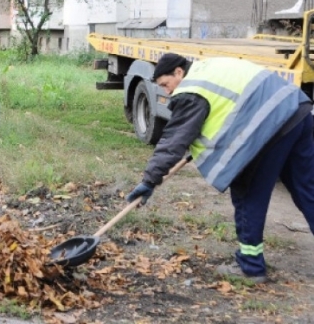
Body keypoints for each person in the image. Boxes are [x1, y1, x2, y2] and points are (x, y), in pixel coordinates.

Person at [125, 53, 314, 283]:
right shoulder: (208, 68)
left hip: (271, 126)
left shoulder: (191, 90)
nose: (167, 91)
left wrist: (149, 180)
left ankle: (251, 266)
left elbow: (173, 141)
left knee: (247, 195)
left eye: (166, 84)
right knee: (308, 189)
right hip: (297, 109)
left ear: (178, 72)